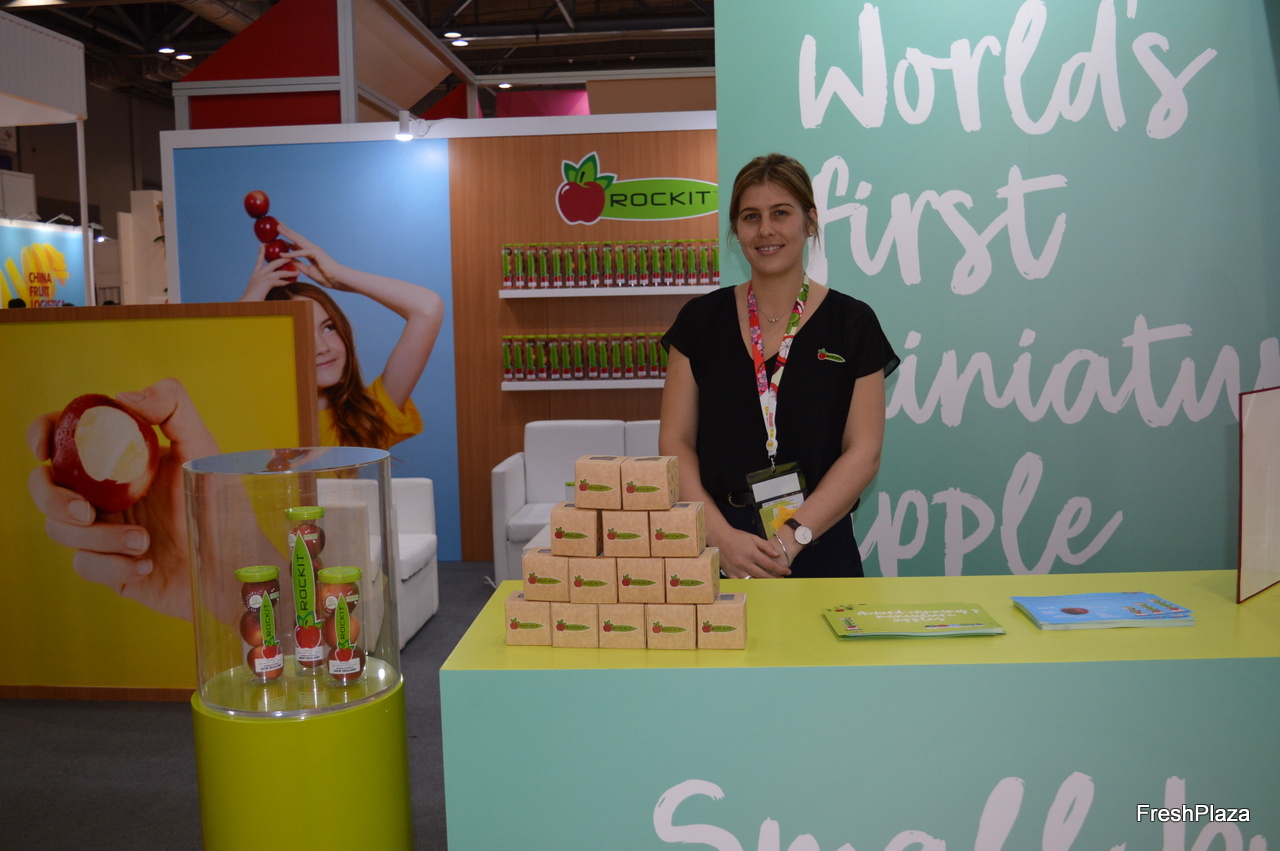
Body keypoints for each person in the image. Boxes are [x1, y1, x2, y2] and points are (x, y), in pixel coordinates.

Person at [659, 153, 899, 579]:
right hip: (719, 548)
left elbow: (865, 452)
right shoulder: (700, 321)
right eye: (751, 217)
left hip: (818, 542)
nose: (766, 230)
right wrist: (720, 538)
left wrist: (791, 539)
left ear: (810, 222)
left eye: (781, 213)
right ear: (736, 229)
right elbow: (675, 442)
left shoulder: (852, 323)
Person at [241, 222, 444, 449]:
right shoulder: (253, 426)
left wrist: (339, 275)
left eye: (328, 328)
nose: (321, 348)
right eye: (300, 337)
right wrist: (244, 308)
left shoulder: (369, 417)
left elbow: (428, 308)